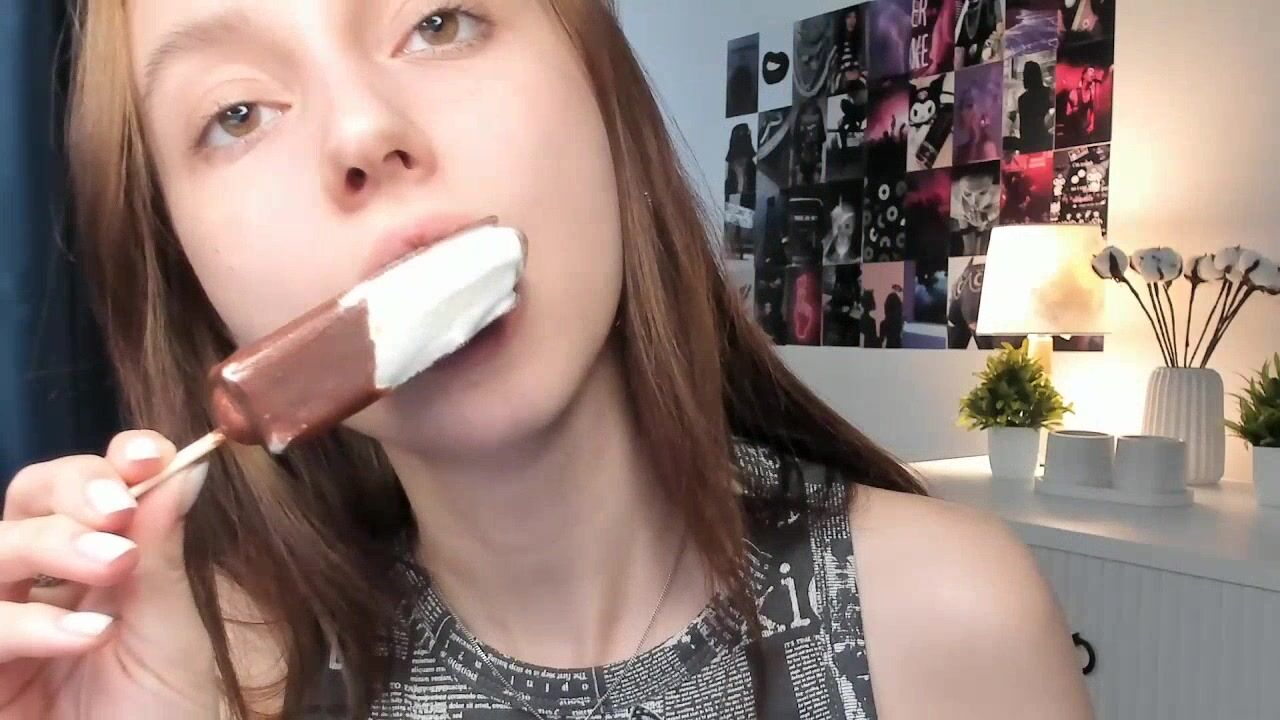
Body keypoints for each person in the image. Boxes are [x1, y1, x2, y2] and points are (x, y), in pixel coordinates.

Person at [0, 2, 1093, 719]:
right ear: (186, 271)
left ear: (599, 91)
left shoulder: (947, 617)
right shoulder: (217, 676)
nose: (362, 132)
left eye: (439, 20)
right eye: (236, 113)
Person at [1017, 60, 1053, 152]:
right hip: (1045, 143)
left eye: (1025, 75)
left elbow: (1023, 129)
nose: (1023, 78)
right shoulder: (1048, 92)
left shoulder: (1022, 99)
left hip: (1031, 145)